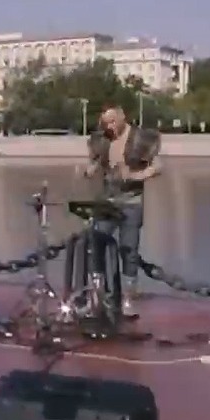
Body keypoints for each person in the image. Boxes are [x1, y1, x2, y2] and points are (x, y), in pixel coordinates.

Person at [79, 104, 162, 317]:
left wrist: (135, 176)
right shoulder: (102, 140)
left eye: (113, 121)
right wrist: (89, 170)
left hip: (132, 202)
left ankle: (127, 299)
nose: (110, 126)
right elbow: (94, 164)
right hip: (108, 201)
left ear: (123, 117)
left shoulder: (141, 138)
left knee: (129, 249)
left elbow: (157, 167)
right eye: (106, 123)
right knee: (96, 242)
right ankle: (96, 296)